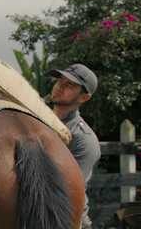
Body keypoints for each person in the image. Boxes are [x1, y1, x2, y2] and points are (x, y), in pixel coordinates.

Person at [49, 63, 101, 229]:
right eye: (59, 81)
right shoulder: (34, 120)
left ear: (83, 98)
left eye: (69, 85)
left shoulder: (83, 139)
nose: (59, 87)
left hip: (67, 221)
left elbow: (67, 190)